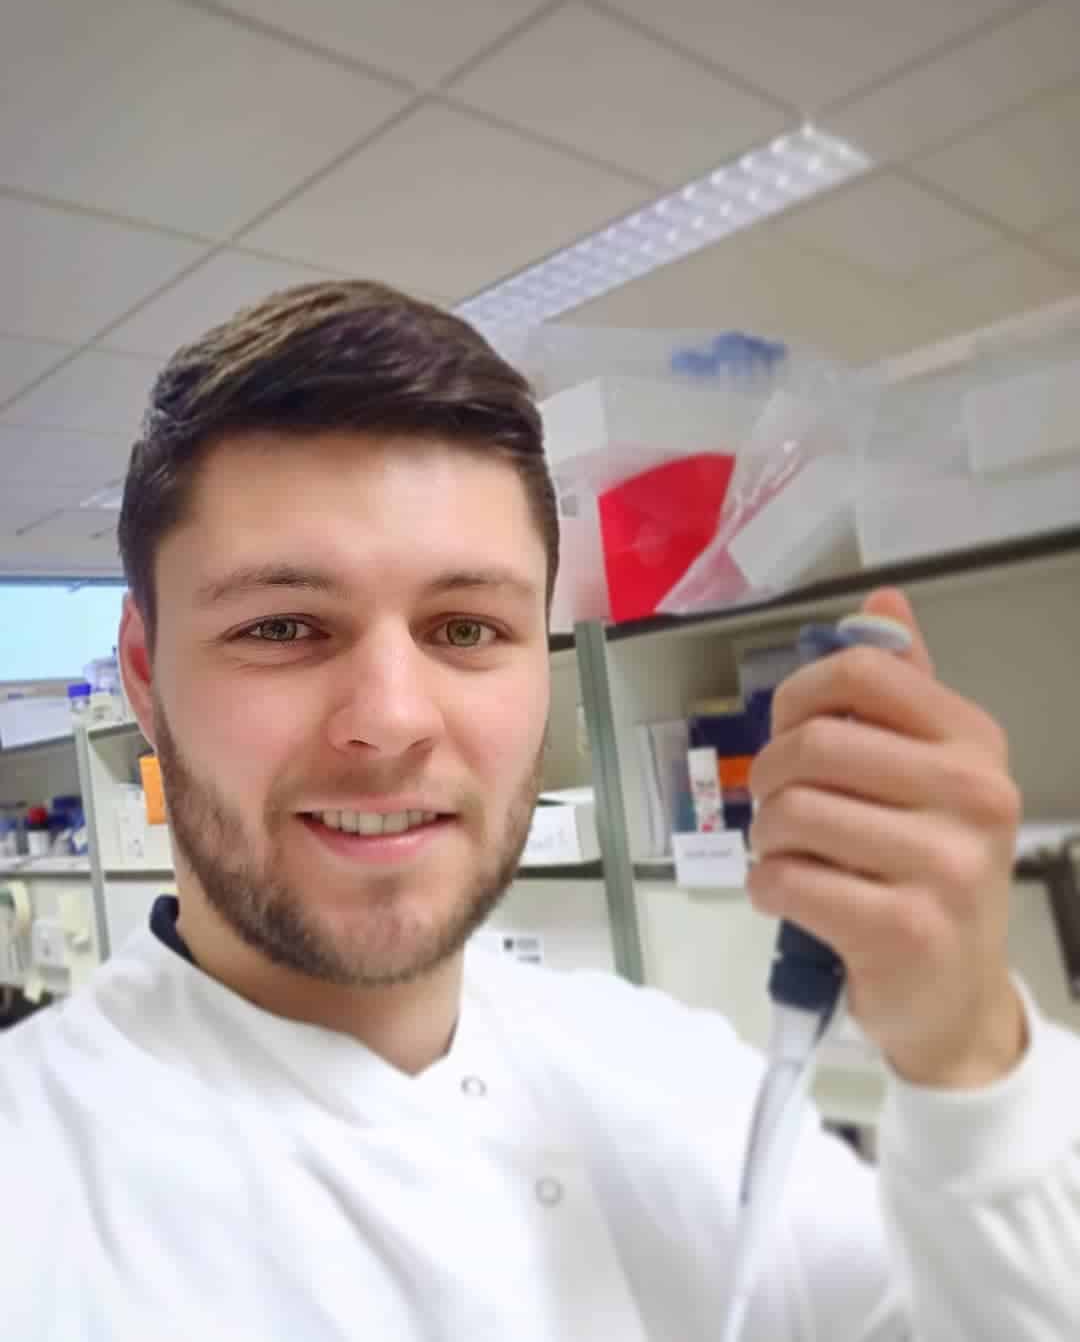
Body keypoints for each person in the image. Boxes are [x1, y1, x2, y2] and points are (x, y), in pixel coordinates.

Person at [1, 281, 1077, 1342]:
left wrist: (967, 1054)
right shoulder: (35, 1182)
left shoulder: (675, 1078)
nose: (391, 720)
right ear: (144, 675)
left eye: (466, 628)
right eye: (282, 628)